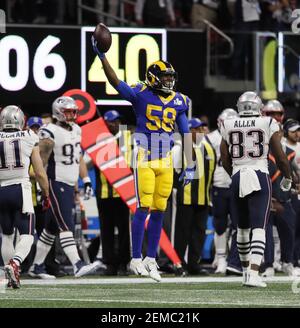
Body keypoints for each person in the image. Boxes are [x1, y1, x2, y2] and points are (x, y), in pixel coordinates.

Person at [92, 36, 195, 282]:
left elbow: (186, 132)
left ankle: (151, 259)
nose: (170, 81)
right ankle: (135, 258)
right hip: (146, 155)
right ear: (153, 77)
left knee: (160, 207)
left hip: (166, 158)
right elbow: (116, 82)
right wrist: (103, 56)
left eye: (171, 77)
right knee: (143, 206)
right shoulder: (140, 94)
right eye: (166, 77)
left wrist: (189, 164)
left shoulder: (179, 100)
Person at [220, 91, 292, 287]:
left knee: (242, 229)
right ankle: (253, 274)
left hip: (237, 175)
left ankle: (245, 273)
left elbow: (224, 158)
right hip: (259, 174)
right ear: (258, 107)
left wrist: (234, 174)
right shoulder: (267, 123)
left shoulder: (228, 123)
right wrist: (288, 177)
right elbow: (280, 156)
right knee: (259, 227)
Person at [29, 96, 97, 278]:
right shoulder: (48, 132)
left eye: (73, 111)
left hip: (68, 183)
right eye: (67, 111)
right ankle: (77, 264)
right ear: (58, 112)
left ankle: (36, 266)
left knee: (51, 228)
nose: (72, 115)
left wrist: (86, 180)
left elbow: (78, 156)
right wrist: (42, 187)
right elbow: (39, 161)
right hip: (55, 182)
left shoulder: (76, 129)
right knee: (65, 224)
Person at [0, 105, 49, 288]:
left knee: (6, 235)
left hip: (1, 189)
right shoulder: (29, 136)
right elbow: (39, 171)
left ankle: (10, 276)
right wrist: (46, 194)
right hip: (21, 188)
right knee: (28, 234)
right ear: (21, 120)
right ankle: (15, 263)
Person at [173, 118, 216, 275]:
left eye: (200, 129)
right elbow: (174, 171)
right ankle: (178, 263)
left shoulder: (208, 148)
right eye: (194, 129)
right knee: (182, 233)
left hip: (203, 197)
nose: (198, 132)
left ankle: (194, 264)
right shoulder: (180, 147)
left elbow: (212, 173)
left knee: (199, 233)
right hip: (185, 197)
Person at [93, 110, 131, 275]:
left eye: (117, 121)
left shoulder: (127, 138)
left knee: (124, 230)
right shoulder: (97, 140)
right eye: (111, 121)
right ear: (105, 123)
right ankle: (110, 264)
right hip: (104, 192)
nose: (115, 124)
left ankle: (124, 263)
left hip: (123, 191)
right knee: (106, 230)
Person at [207, 108, 239, 274]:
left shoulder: (241, 136)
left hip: (236, 185)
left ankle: (234, 259)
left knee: (237, 225)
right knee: (219, 225)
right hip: (219, 185)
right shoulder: (211, 138)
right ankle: (220, 258)